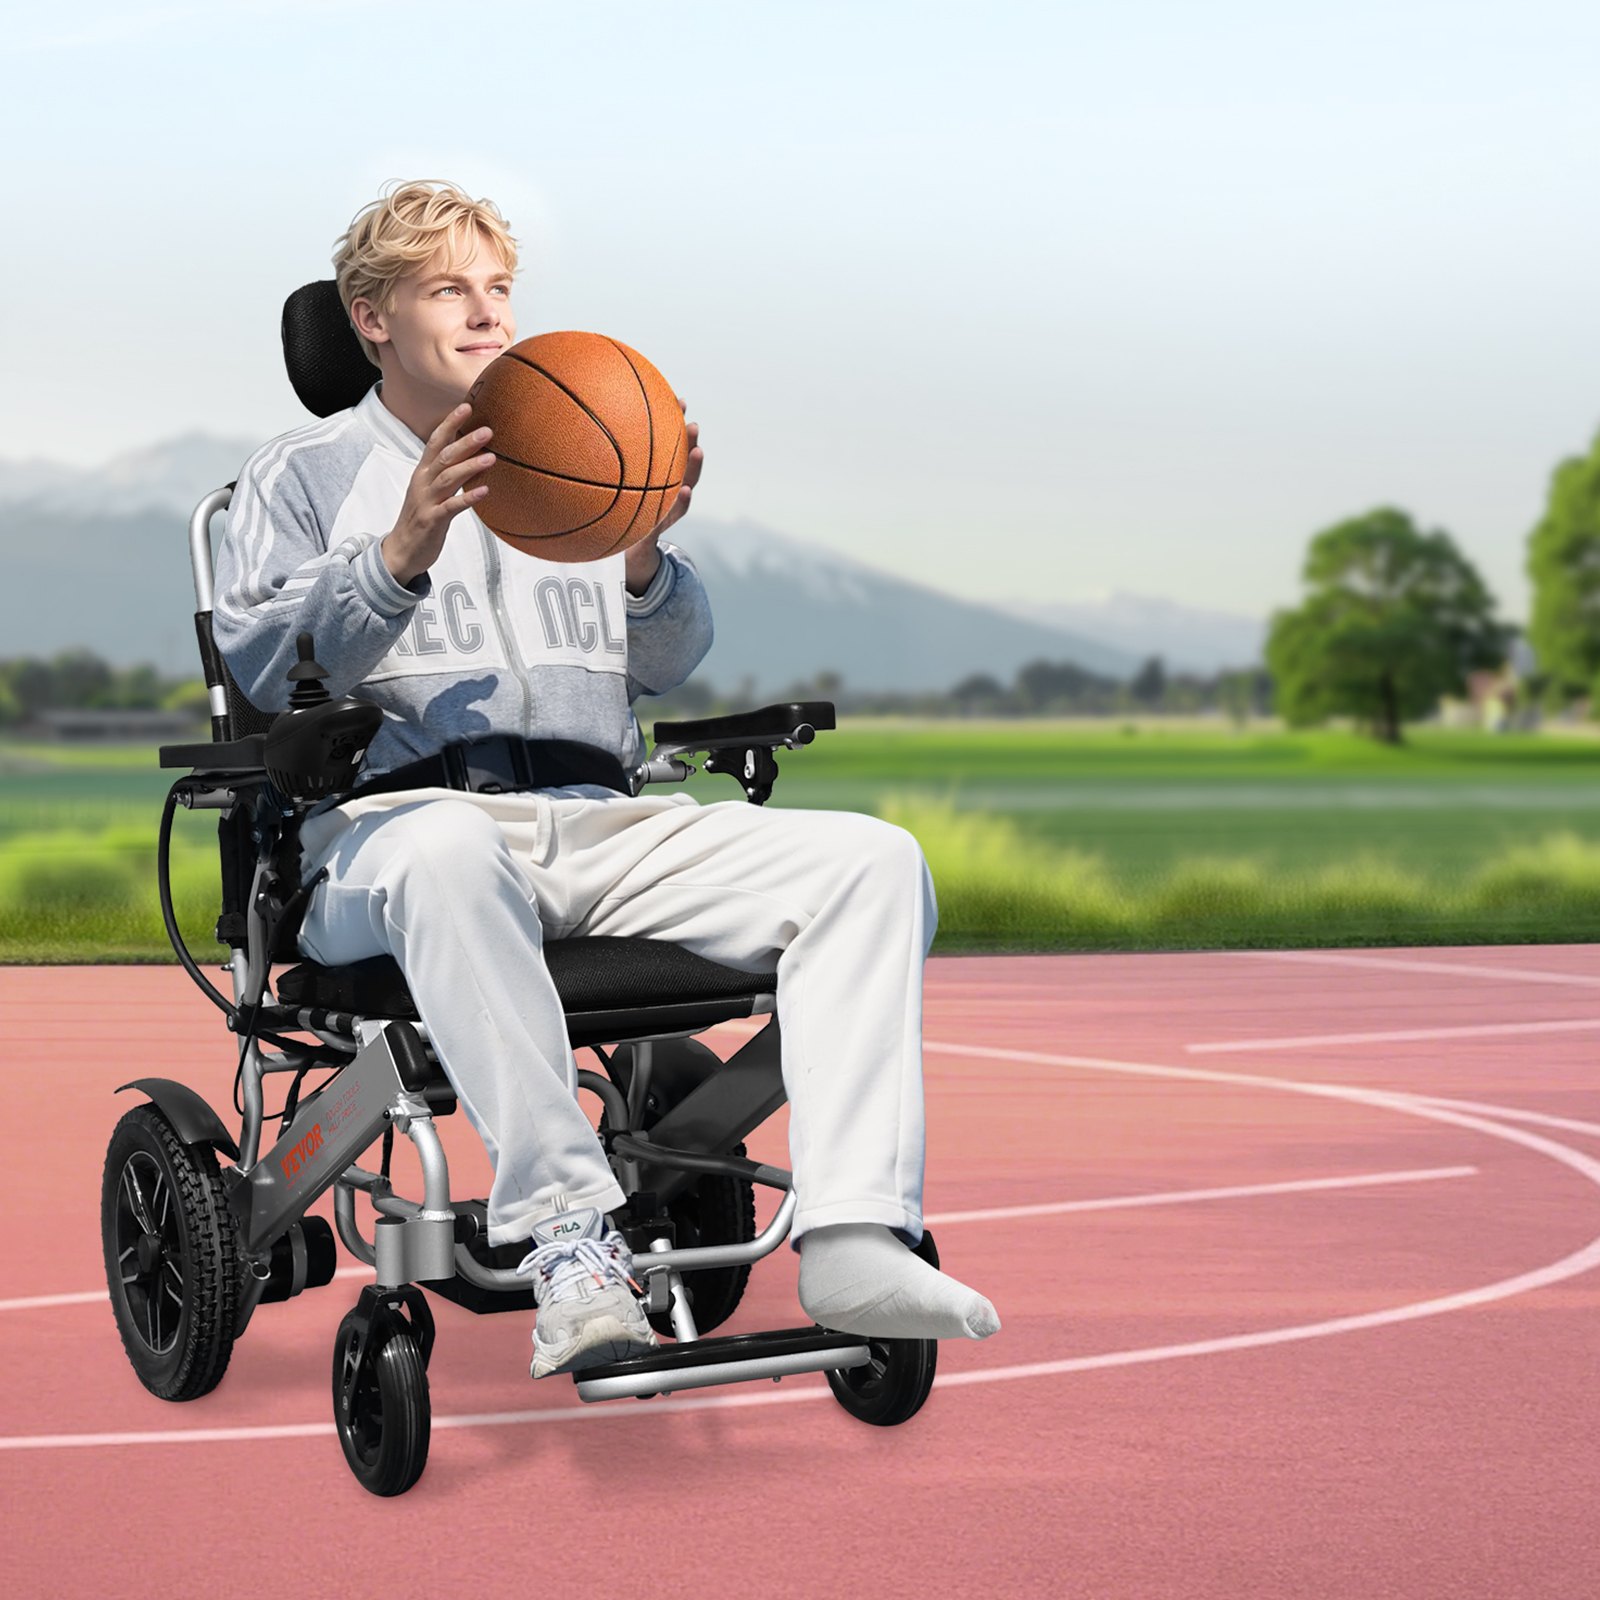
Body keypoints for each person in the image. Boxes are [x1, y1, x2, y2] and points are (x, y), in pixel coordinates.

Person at [213, 179, 999, 1379]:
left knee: (871, 861)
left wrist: (641, 555)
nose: (485, 316)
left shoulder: (572, 457)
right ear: (369, 317)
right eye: (446, 290)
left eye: (496, 290)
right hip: (391, 827)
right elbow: (266, 668)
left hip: (595, 815)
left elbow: (670, 658)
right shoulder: (300, 477)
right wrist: (399, 552)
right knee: (448, 849)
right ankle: (570, 1240)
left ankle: (853, 1231)